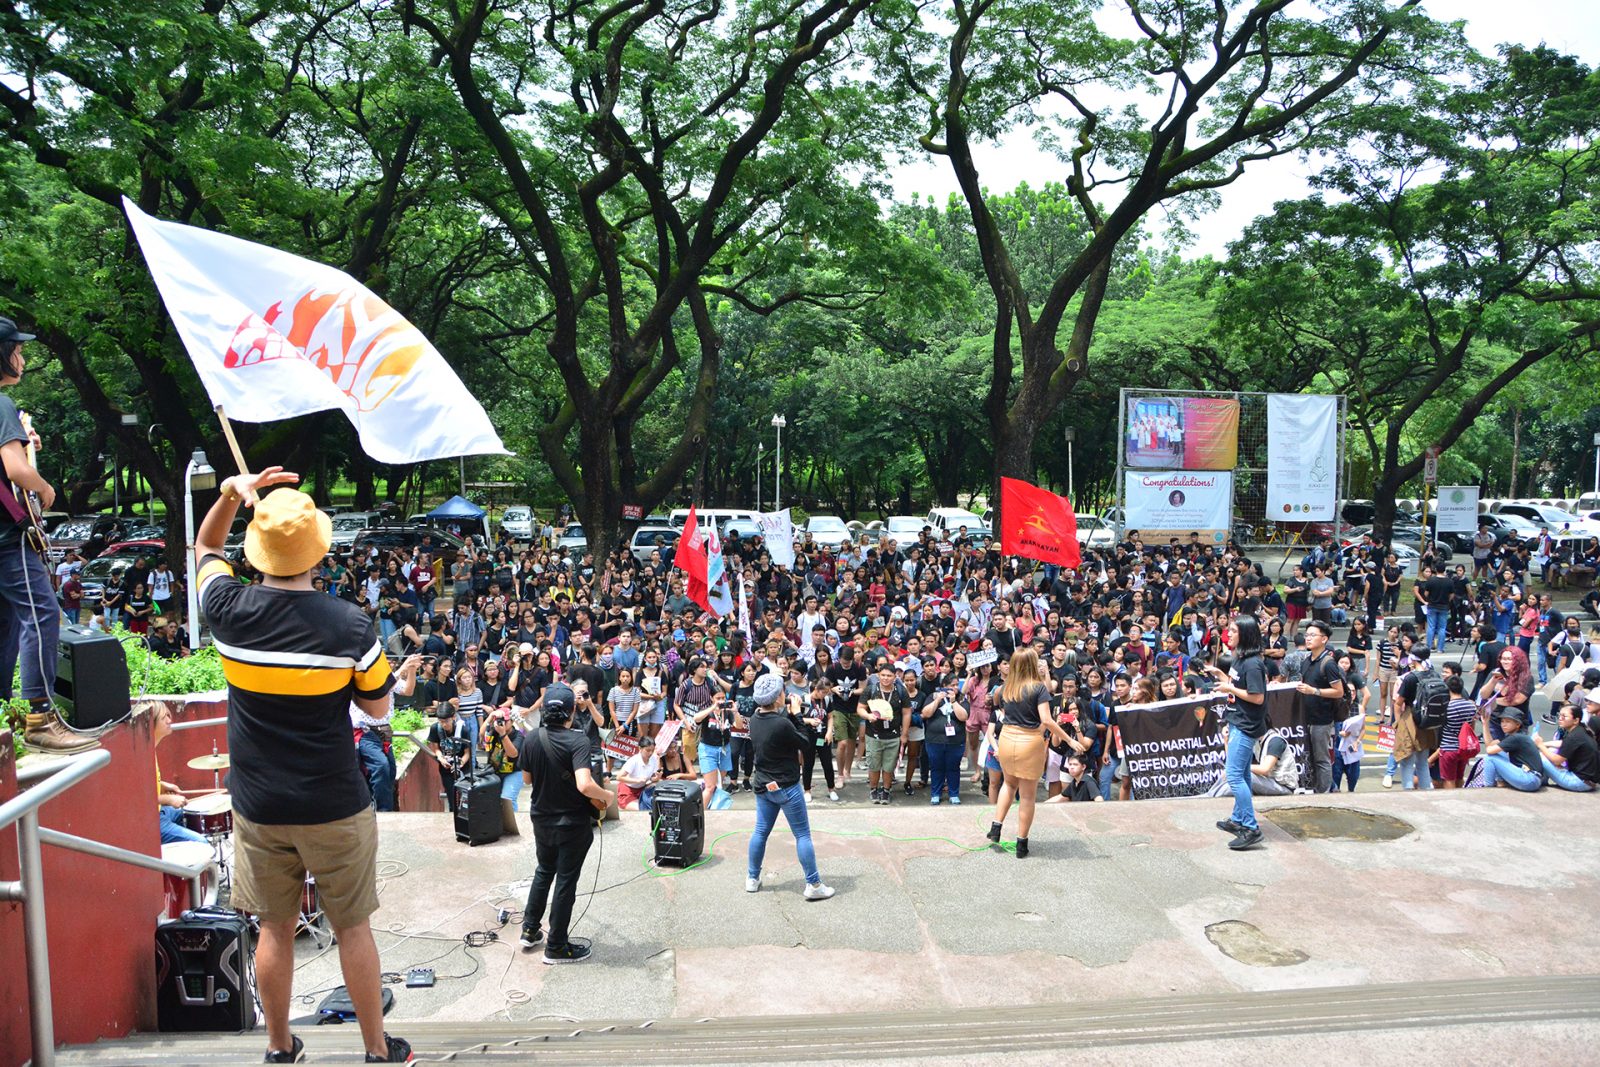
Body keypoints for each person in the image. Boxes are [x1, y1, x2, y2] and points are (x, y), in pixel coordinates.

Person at [193, 466, 410, 1064]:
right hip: (334, 802)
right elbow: (379, 707)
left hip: (259, 804)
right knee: (353, 927)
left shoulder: (226, 608)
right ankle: (376, 1050)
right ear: (318, 550)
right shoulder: (349, 625)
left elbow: (206, 546)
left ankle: (279, 1046)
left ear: (256, 549)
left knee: (274, 926)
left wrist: (230, 495)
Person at [0, 318, 89, 754]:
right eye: (16, 350)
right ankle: (39, 718)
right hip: (8, 539)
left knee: (5, 627)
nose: (22, 357)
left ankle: (4, 715)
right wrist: (45, 487)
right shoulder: (2, 404)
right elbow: (16, 470)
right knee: (42, 615)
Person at [517, 683, 613, 964]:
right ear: (572, 711)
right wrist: (607, 796)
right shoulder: (578, 741)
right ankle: (557, 946)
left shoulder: (532, 738)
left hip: (541, 817)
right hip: (571, 822)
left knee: (544, 870)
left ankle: (530, 930)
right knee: (566, 881)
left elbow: (527, 780)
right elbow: (584, 785)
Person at [746, 673, 835, 900]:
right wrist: (797, 715)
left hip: (763, 785)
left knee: (760, 831)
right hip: (787, 786)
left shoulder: (755, 718)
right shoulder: (782, 723)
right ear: (778, 697)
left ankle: (752, 878)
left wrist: (789, 713)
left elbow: (777, 724)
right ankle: (813, 884)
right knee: (802, 834)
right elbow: (804, 743)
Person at [986, 648, 1069, 859]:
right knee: (1027, 795)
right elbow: (1047, 720)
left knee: (1008, 784)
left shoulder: (1006, 687)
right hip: (1029, 741)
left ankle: (996, 827)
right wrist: (1070, 740)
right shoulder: (1038, 688)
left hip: (1006, 738)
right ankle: (1021, 843)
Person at [1206, 615, 1269, 851]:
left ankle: (1251, 828)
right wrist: (1222, 677)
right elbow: (1239, 685)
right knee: (1242, 773)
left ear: (1245, 634)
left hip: (1246, 725)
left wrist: (1229, 687)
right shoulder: (1239, 659)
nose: (1228, 634)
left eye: (1233, 631)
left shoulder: (1252, 664)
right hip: (1237, 720)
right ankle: (1238, 819)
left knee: (1233, 776)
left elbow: (1257, 696)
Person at [1294, 621, 1344, 793]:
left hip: (1322, 720)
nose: (1308, 638)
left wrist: (1314, 691)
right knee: (1309, 757)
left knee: (1321, 759)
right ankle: (1313, 788)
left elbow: (1338, 692)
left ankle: (1324, 793)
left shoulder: (1328, 663)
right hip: (1306, 717)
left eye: (1312, 635)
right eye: (1306, 635)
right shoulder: (1306, 661)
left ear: (1324, 639)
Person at [151, 701, 210, 845]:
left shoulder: (151, 749)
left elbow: (147, 785)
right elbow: (139, 798)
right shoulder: (142, 755)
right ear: (152, 723)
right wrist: (168, 799)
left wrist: (162, 785)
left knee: (195, 812)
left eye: (169, 716)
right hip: (153, 820)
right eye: (164, 717)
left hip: (161, 811)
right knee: (201, 843)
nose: (169, 720)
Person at [1534, 702, 1599, 792]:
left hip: (1579, 782)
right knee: (1550, 750)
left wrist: (1540, 745)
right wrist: (1544, 744)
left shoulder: (1574, 736)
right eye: (1559, 715)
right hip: (1587, 781)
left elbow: (1557, 761)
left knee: (1540, 755)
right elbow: (1563, 743)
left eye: (1564, 716)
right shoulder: (1581, 730)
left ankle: (1536, 779)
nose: (1560, 719)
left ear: (1576, 720)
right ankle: (1543, 780)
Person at [1478, 705, 1545, 792]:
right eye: (1502, 721)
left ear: (1517, 724)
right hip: (1532, 779)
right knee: (1498, 752)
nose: (1503, 724)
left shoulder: (1516, 738)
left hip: (1529, 779)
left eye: (1508, 721)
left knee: (1490, 758)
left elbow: (1489, 750)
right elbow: (1490, 745)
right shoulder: (1515, 736)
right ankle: (1501, 782)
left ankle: (1488, 788)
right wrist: (1485, 724)